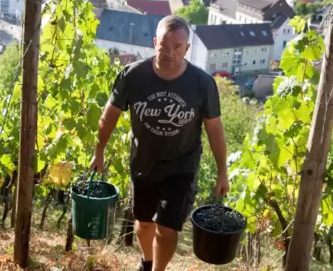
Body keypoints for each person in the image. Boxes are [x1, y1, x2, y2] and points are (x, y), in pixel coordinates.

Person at [90, 15, 229, 271]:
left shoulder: (202, 84)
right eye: (164, 46)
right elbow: (109, 115)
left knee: (167, 227)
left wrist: (223, 172)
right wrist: (99, 151)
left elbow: (215, 129)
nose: (169, 53)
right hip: (143, 163)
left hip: (182, 168)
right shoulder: (132, 76)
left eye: (177, 47)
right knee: (143, 223)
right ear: (155, 43)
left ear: (186, 49)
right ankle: (147, 260)